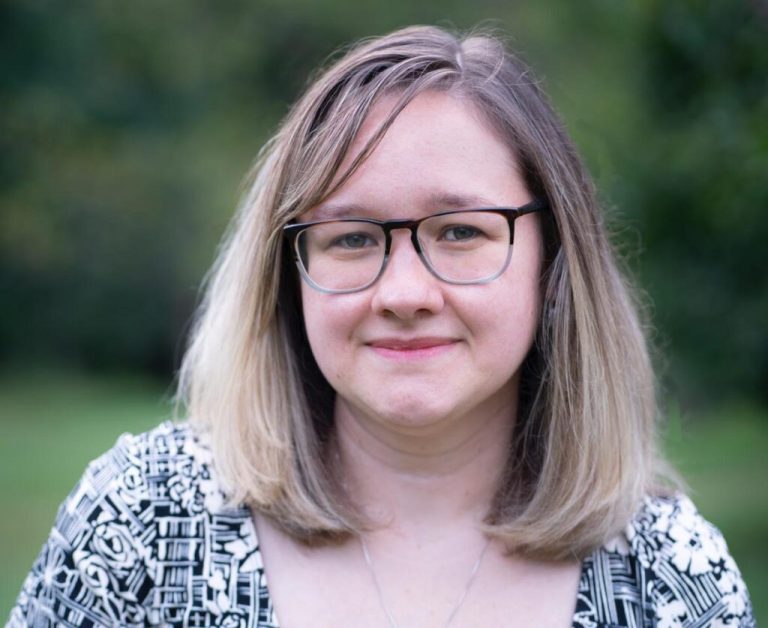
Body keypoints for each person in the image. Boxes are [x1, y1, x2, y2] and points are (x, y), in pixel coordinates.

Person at [9, 25, 754, 628]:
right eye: (352, 238)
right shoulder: (142, 522)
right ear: (287, 275)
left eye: (461, 232)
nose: (404, 292)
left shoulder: (667, 579)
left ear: (553, 261)